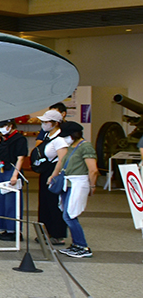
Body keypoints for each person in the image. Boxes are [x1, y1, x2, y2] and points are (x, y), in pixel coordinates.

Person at [48, 121, 99, 258]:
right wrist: (54, 175)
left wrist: (92, 186)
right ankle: (76, 244)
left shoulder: (85, 147)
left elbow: (93, 170)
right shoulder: (72, 146)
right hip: (68, 183)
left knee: (70, 216)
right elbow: (63, 163)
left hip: (77, 183)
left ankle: (82, 246)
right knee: (67, 213)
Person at [32, 109, 67, 244]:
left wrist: (54, 175)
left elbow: (62, 159)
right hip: (46, 172)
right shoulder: (48, 136)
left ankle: (57, 234)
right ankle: (45, 231)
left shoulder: (60, 139)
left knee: (54, 204)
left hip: (54, 173)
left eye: (46, 122)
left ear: (55, 123)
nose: (43, 124)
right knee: (45, 203)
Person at [0, 120, 28, 241]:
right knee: (1, 202)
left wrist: (15, 175)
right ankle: (5, 228)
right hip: (2, 170)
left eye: (3, 126)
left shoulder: (19, 139)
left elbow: (20, 158)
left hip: (12, 170)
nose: (1, 129)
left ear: (10, 126)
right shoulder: (1, 139)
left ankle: (14, 230)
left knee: (12, 202)